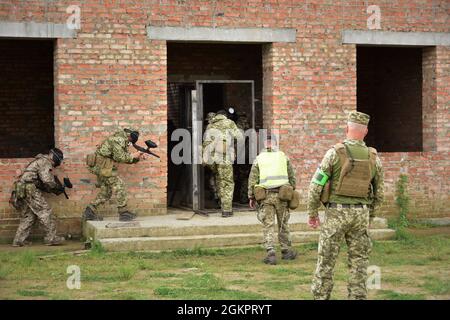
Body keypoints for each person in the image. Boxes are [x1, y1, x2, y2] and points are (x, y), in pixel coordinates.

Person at [307, 111, 384, 300]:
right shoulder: (374, 157)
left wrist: (312, 213)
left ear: (347, 128)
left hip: (336, 214)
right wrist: (370, 217)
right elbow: (379, 194)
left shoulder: (334, 153)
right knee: (359, 262)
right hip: (361, 215)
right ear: (365, 131)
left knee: (326, 261)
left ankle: (321, 297)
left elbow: (316, 185)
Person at [248, 134, 297, 265]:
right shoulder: (283, 156)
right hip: (282, 195)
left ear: (265, 144)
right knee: (283, 224)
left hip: (266, 196)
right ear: (275, 143)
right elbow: (292, 176)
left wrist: (251, 196)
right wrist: (292, 190)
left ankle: (271, 253)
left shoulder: (259, 158)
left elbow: (252, 179)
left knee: (268, 224)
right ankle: (286, 252)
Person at [83, 128, 145, 222]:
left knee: (106, 192)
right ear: (129, 137)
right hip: (103, 167)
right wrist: (133, 155)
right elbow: (120, 157)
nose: (130, 143)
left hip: (103, 167)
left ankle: (89, 212)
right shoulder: (118, 140)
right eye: (131, 140)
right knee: (120, 186)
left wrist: (137, 157)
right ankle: (124, 213)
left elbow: (124, 157)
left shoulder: (120, 139)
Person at [11, 148, 66, 246]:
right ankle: (51, 238)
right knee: (45, 212)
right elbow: (47, 180)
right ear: (53, 156)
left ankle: (19, 240)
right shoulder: (45, 162)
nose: (58, 162)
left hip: (22, 189)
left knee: (29, 216)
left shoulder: (40, 160)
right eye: (59, 159)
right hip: (30, 189)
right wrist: (56, 187)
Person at [202, 110, 243, 217]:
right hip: (225, 158)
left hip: (213, 159)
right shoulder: (229, 122)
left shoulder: (210, 125)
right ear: (225, 116)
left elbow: (205, 144)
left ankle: (221, 203)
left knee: (219, 180)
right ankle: (226, 209)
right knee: (228, 183)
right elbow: (239, 137)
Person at [234, 111, 251, 204]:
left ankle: (241, 198)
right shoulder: (248, 128)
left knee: (240, 178)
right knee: (244, 178)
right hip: (246, 156)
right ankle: (243, 198)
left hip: (242, 156)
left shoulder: (239, 128)